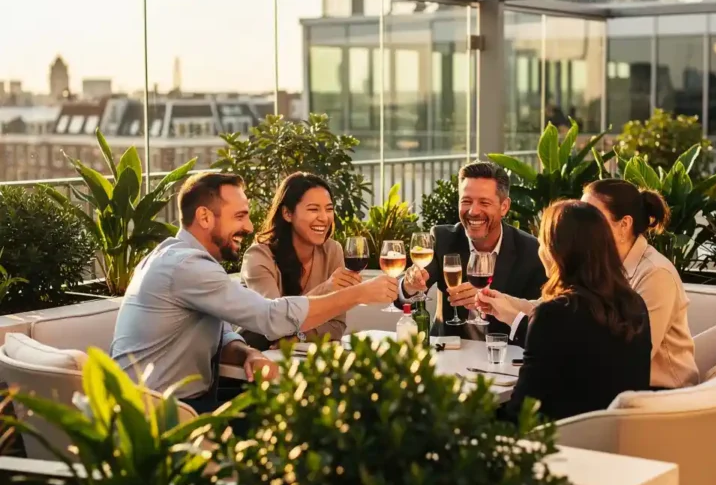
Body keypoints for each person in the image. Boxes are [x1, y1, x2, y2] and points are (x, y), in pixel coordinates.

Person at [110, 172, 398, 413]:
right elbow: (270, 316)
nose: (249, 226)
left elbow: (221, 333)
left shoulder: (179, 259)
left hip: (172, 403)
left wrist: (246, 354)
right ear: (205, 217)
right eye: (240, 216)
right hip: (157, 413)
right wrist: (359, 294)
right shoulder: (187, 265)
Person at [479, 200, 652, 422]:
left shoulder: (554, 314)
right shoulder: (635, 305)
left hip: (561, 444)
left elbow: (522, 413)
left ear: (555, 253)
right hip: (618, 440)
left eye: (541, 243)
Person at [400, 161, 546, 341]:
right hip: (449, 355)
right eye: (466, 201)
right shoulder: (443, 239)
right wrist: (410, 285)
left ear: (504, 207)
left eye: (484, 203)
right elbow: (409, 295)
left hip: (505, 357)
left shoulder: (531, 250)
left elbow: (539, 321)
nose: (473, 211)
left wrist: (489, 301)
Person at [582, 179, 699, 389]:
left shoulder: (656, 274)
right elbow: (559, 308)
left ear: (624, 225)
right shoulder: (605, 265)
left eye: (592, 218)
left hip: (663, 398)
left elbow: (634, 355)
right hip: (620, 385)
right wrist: (507, 304)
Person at [241, 172, 357, 347]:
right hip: (253, 360)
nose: (324, 218)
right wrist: (325, 289)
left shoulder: (332, 250)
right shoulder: (259, 257)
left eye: (329, 209)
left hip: (301, 360)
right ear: (287, 213)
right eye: (313, 209)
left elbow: (337, 326)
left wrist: (294, 338)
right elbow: (273, 322)